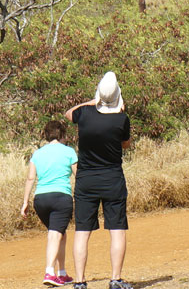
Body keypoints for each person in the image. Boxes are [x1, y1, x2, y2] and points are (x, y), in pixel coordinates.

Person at [64, 72, 133, 289]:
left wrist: (93, 102)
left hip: (86, 180)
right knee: (117, 230)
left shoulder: (85, 114)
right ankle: (115, 279)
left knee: (82, 232)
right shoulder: (121, 119)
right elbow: (125, 144)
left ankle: (80, 282)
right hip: (112, 179)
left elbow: (68, 113)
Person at [21, 120, 79, 286]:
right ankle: (49, 272)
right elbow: (79, 176)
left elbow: (30, 178)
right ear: (62, 134)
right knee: (55, 234)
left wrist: (25, 201)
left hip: (40, 199)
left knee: (60, 233)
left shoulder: (37, 154)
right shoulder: (69, 152)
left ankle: (62, 272)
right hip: (61, 197)